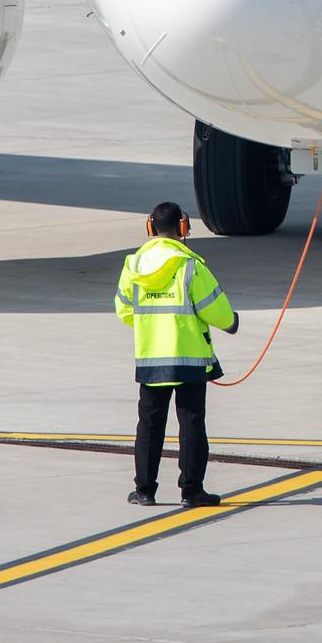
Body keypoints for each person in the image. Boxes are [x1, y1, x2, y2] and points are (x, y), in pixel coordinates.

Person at [114, 202, 238, 507]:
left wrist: (151, 324)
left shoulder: (134, 265)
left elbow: (124, 310)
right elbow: (217, 310)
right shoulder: (190, 265)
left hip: (151, 358)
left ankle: (144, 490)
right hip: (188, 358)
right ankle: (192, 490)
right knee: (191, 423)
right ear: (183, 228)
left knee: (149, 425)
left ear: (150, 227)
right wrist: (231, 322)